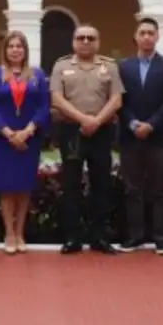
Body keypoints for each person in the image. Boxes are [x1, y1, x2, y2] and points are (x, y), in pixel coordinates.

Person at [50, 25, 124, 255]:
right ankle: (73, 238)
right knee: (71, 186)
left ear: (98, 42)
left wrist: (97, 121)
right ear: (73, 41)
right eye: (80, 38)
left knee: (100, 185)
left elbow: (116, 99)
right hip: (72, 132)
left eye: (90, 38)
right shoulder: (61, 65)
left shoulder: (109, 66)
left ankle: (99, 237)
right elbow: (56, 99)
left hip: (101, 132)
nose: (85, 41)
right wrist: (84, 119)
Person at [0, 31, 51, 254]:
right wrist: (9, 133)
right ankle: (9, 232)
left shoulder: (37, 75)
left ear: (25, 50)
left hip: (29, 139)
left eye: (20, 46)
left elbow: (43, 105)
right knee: (6, 188)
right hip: (2, 140)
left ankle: (20, 232)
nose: (15, 50)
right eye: (11, 46)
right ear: (5, 50)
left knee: (24, 187)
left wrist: (27, 131)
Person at [116, 18, 163, 254]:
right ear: (135, 36)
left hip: (159, 137)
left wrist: (151, 125)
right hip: (130, 136)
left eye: (150, 33)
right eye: (142, 32)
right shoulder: (123, 67)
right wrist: (133, 123)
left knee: (159, 189)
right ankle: (136, 236)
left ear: (157, 37)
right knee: (132, 189)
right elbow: (119, 100)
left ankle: (161, 237)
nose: (146, 37)